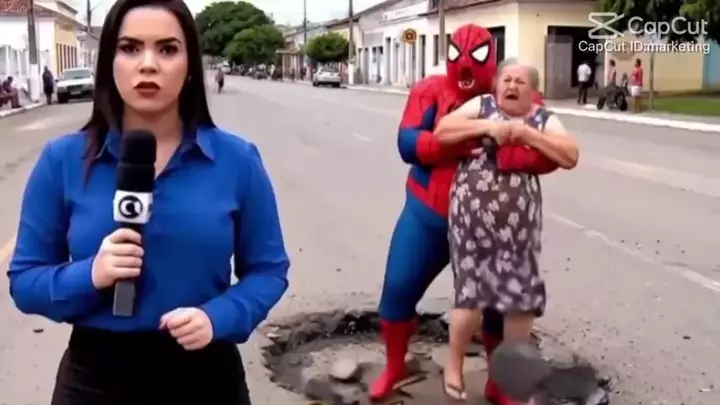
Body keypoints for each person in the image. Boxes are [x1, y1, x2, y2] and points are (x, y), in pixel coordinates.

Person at [7, 0, 290, 404]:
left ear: (190, 65)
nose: (148, 64)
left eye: (168, 49)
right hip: (95, 379)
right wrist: (91, 274)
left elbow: (268, 270)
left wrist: (219, 317)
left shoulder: (237, 161)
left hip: (206, 376)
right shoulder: (62, 161)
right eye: (130, 48)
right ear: (109, 62)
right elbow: (25, 281)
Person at [370, 24, 556, 404]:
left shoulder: (515, 94)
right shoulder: (430, 90)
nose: (466, 66)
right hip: (428, 212)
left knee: (495, 307)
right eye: (457, 55)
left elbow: (552, 153)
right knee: (398, 288)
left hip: (488, 226)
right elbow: (407, 142)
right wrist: (458, 145)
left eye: (478, 56)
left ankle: (499, 382)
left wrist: (517, 149)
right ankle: (395, 367)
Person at [434, 59, 579, 403]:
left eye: (520, 82)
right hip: (471, 224)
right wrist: (489, 127)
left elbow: (570, 156)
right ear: (497, 85)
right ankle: (453, 365)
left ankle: (510, 381)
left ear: (534, 92)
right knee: (471, 297)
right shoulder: (482, 106)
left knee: (520, 302)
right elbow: (443, 131)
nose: (512, 86)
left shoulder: (543, 119)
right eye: (507, 80)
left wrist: (528, 135)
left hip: (519, 232)